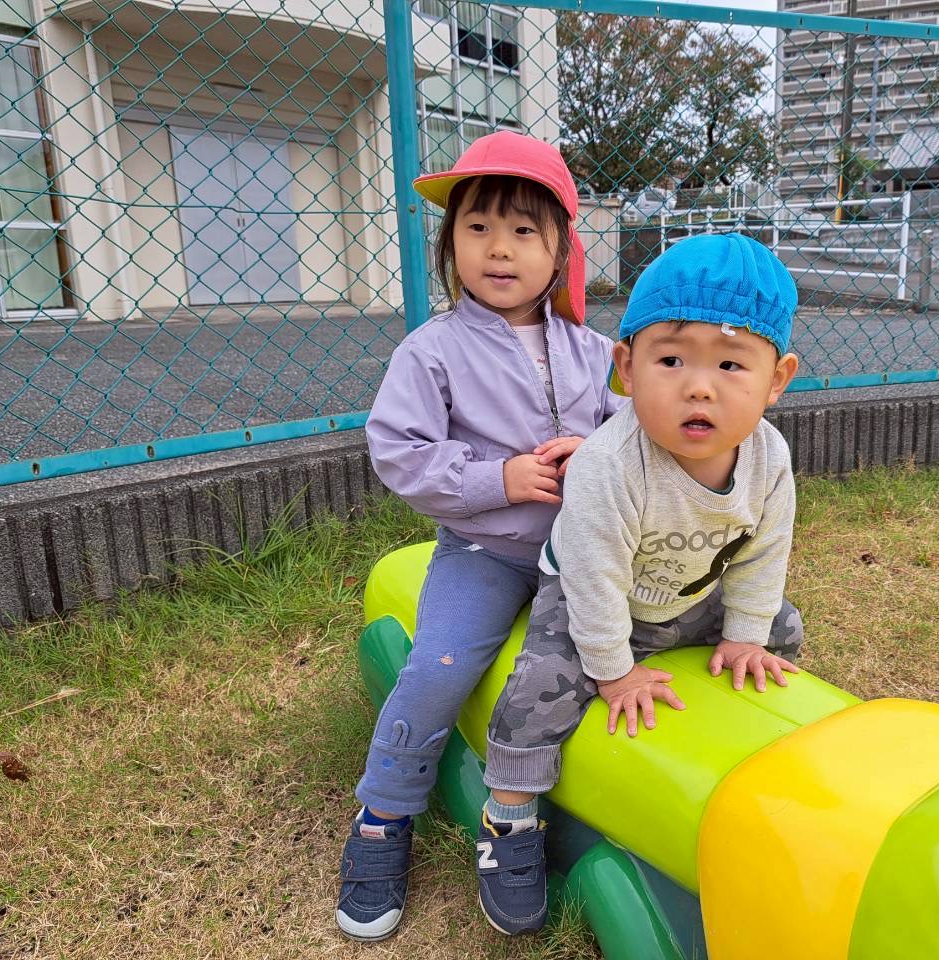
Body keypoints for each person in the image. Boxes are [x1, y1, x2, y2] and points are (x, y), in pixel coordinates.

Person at [335, 131, 623, 942]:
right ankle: (383, 815)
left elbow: (634, 430)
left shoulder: (592, 351)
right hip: (486, 553)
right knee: (440, 666)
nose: (499, 248)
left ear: (561, 250)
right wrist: (499, 479)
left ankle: (524, 807)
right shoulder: (432, 351)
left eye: (524, 230)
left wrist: (596, 449)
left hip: (583, 555)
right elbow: (399, 451)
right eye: (478, 227)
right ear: (449, 244)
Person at [473, 233, 804, 935]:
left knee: (780, 625)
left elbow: (762, 553)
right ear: (626, 368)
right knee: (536, 691)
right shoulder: (610, 464)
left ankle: (743, 726)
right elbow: (593, 582)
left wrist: (746, 635)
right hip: (598, 599)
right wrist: (614, 672)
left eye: (731, 364)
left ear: (777, 379)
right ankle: (509, 817)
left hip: (691, 594)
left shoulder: (770, 458)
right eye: (671, 359)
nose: (699, 386)